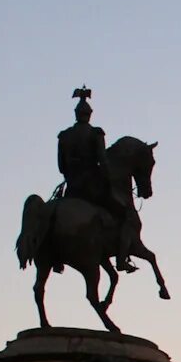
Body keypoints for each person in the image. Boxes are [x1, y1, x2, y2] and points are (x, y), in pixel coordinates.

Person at [57, 87, 136, 273]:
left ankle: (55, 259)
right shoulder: (96, 134)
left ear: (76, 114)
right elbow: (103, 160)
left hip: (72, 188)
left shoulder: (65, 136)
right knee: (125, 213)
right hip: (91, 187)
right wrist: (108, 176)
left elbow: (61, 166)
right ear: (89, 115)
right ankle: (122, 258)